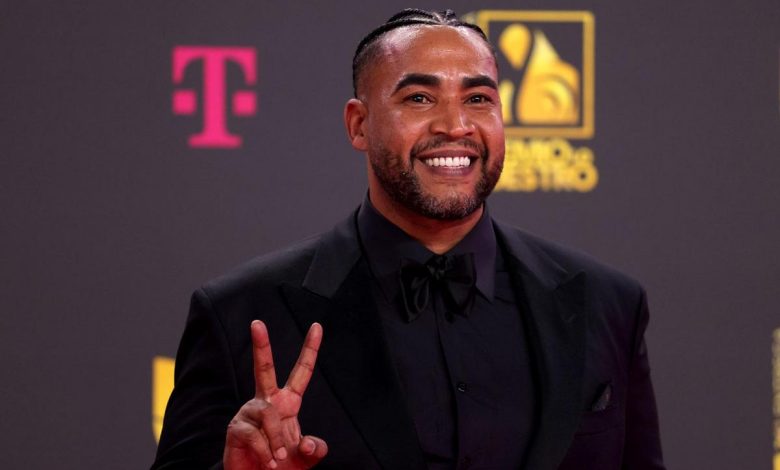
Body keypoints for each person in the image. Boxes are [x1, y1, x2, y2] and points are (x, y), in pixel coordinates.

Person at [152, 8, 665, 470]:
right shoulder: (241, 313)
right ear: (359, 125)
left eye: (478, 98)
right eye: (419, 98)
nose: (455, 125)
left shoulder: (607, 304)